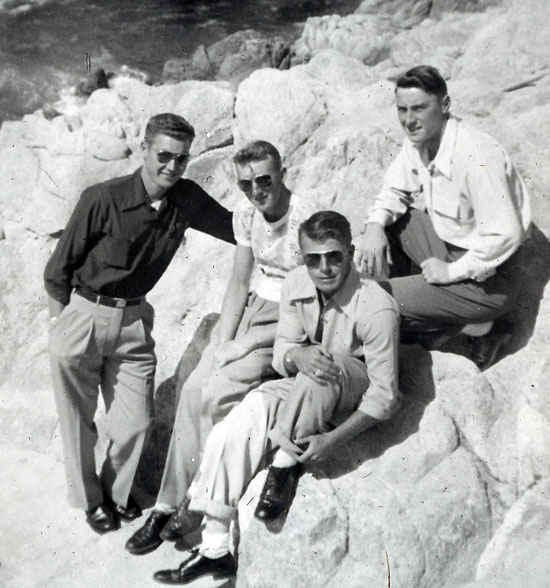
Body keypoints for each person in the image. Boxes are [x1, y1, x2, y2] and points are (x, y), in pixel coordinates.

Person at [152, 211, 401, 585]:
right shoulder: (297, 283)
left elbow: (385, 396)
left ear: (350, 253)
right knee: (232, 427)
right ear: (301, 258)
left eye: (334, 256)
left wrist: (332, 441)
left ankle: (285, 463)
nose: (325, 268)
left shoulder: (376, 306)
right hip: (305, 381)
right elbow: (282, 352)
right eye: (313, 259)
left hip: (349, 385)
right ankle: (215, 546)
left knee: (323, 366)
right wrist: (296, 355)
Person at [44, 113, 235, 535]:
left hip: (133, 322)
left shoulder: (186, 199)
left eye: (181, 160)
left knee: (135, 422)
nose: (171, 167)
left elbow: (239, 229)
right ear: (144, 150)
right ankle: (91, 501)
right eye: (164, 156)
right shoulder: (102, 198)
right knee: (77, 418)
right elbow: (57, 271)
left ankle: (115, 492)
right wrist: (63, 326)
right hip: (83, 315)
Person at [125, 140, 319, 555]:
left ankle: (198, 499)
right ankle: (165, 504)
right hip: (251, 308)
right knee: (194, 389)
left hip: (289, 321)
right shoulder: (248, 214)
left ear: (282, 172)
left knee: (217, 394)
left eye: (264, 180)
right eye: (247, 184)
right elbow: (238, 282)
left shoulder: (305, 217)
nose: (256, 191)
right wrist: (225, 339)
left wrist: (247, 342)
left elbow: (307, 306)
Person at [359, 65, 530, 368]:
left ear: (445, 105)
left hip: (490, 278)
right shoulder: (419, 139)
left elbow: (506, 234)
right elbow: (394, 189)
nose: (409, 120)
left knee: (373, 299)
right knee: (393, 220)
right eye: (402, 109)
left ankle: (477, 328)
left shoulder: (476, 155)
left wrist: (449, 273)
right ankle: (420, 311)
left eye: (420, 108)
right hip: (450, 250)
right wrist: (374, 226)